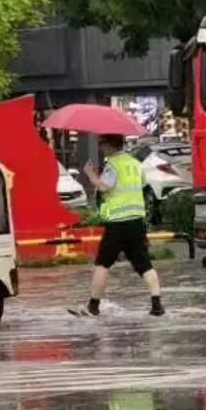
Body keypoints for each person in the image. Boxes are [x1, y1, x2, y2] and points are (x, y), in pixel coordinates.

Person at [73, 135, 164, 317]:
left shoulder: (113, 164)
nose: (101, 148)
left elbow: (104, 187)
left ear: (110, 145)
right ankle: (157, 305)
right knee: (144, 263)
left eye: (102, 144)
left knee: (102, 264)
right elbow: (141, 184)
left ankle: (93, 306)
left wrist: (91, 174)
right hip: (136, 221)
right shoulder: (135, 164)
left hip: (117, 223)